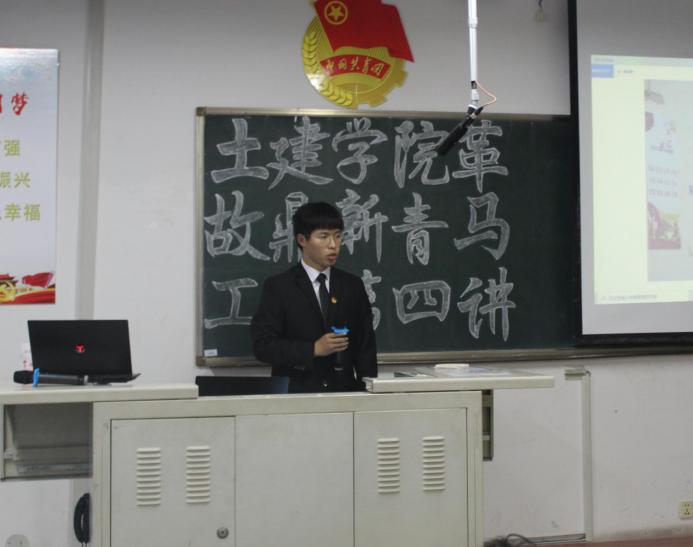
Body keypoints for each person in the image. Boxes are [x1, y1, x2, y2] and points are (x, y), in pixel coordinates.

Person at [250, 202, 377, 392]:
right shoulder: (279, 287)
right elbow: (263, 346)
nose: (333, 245)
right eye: (324, 237)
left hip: (344, 394)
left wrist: (368, 393)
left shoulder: (352, 285)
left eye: (338, 236)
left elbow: (366, 348)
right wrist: (313, 349)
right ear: (302, 240)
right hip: (296, 394)